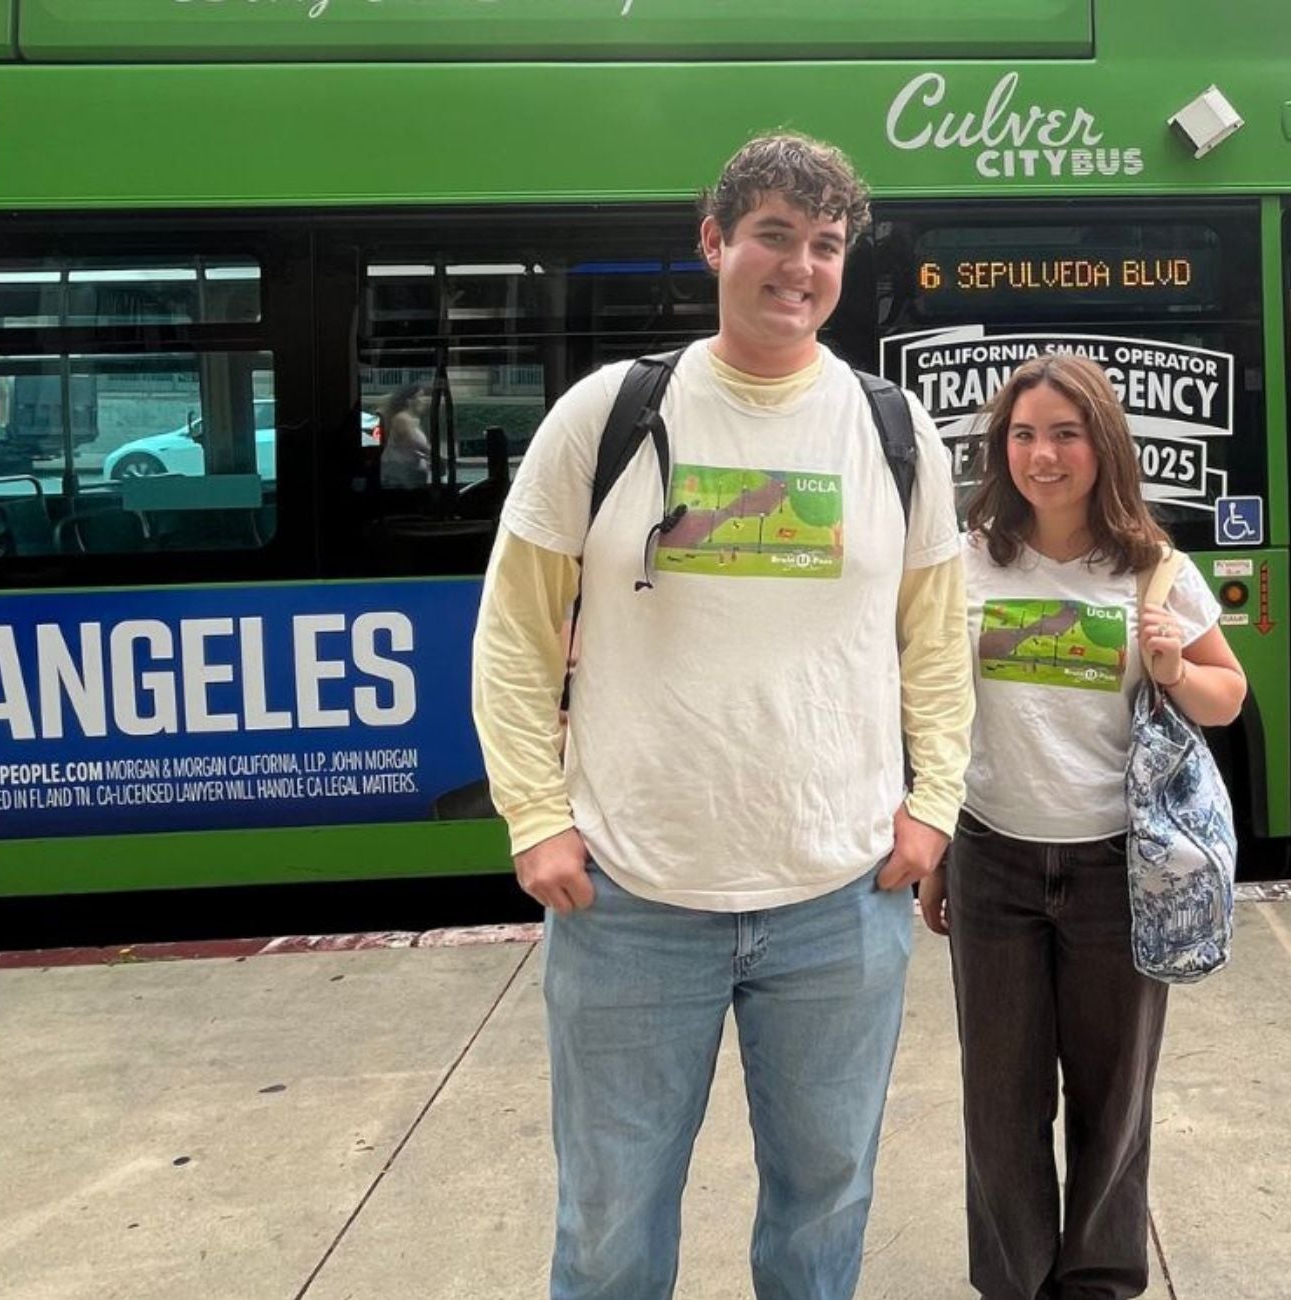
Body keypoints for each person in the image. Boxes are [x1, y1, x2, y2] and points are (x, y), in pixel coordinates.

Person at [470, 132, 974, 1299]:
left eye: (826, 245)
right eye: (774, 237)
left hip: (839, 904)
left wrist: (932, 807)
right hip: (633, 902)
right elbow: (515, 633)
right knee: (609, 1222)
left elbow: (936, 646)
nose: (799, 267)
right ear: (715, 243)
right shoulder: (607, 417)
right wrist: (534, 814)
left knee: (824, 1209)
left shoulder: (895, 436)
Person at [920, 354, 1247, 1300]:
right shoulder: (967, 558)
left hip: (1118, 870)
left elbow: (1227, 697)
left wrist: (1177, 669)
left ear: (1102, 446)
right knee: (1000, 1098)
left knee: (1115, 1095)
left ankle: (1099, 1280)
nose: (1042, 455)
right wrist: (937, 843)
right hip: (993, 860)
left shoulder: (1154, 567)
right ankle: (1015, 1282)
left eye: (1064, 433)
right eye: (1023, 435)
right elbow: (939, 714)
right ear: (1001, 449)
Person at [376, 383, 432, 490]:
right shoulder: (402, 419)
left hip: (410, 474)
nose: (424, 400)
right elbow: (416, 445)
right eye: (420, 396)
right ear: (409, 401)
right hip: (401, 476)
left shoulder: (413, 420)